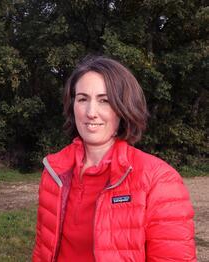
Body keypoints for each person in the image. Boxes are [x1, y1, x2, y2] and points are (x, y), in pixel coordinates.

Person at [32, 56, 196, 262]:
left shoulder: (159, 179)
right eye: (83, 99)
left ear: (123, 107)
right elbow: (42, 250)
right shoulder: (54, 172)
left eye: (105, 100)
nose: (91, 113)